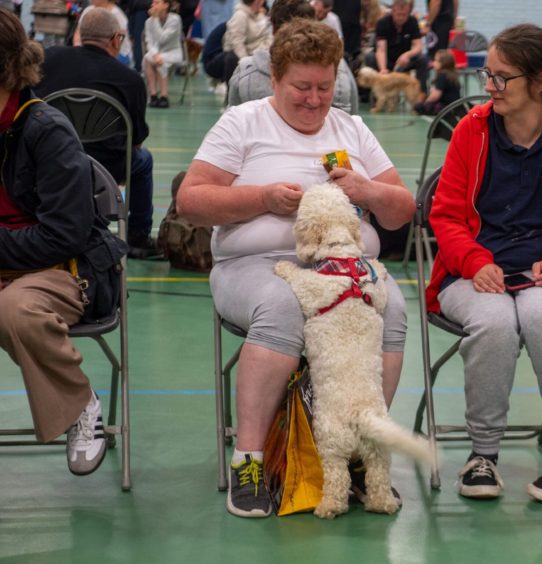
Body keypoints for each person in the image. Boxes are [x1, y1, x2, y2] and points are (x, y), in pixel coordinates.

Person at [176, 19, 414, 518]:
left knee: (391, 308)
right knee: (284, 305)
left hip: (349, 267)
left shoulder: (351, 127)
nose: (313, 100)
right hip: (255, 267)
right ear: (274, 81)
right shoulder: (242, 122)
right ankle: (250, 460)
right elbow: (192, 201)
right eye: (301, 88)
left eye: (324, 88)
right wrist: (262, 199)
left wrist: (367, 191)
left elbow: (400, 209)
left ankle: (358, 456)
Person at [426, 23, 542, 504]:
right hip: (471, 274)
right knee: (493, 322)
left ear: (541, 81)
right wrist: (472, 261)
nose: (490, 86)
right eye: (489, 74)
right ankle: (482, 454)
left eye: (502, 77)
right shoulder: (472, 130)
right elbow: (444, 215)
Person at [0, 8, 127, 478]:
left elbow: (63, 236)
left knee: (15, 311)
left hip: (62, 271)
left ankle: (80, 405)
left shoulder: (45, 130)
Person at [36, 7, 159, 259]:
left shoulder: (48, 60)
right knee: (143, 161)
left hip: (49, 161)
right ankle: (137, 237)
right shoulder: (130, 80)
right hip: (106, 167)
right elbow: (135, 143)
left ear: (80, 34)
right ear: (116, 40)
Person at [228, 0, 357, 114]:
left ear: (274, 28)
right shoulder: (340, 69)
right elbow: (351, 121)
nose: (313, 100)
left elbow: (232, 123)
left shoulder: (247, 70)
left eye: (323, 88)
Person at [368, 0, 428, 95]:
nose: (401, 18)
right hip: (388, 59)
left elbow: (418, 46)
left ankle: (421, 94)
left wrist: (408, 55)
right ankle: (373, 95)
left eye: (404, 15)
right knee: (370, 57)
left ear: (408, 13)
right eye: (398, 14)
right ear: (392, 12)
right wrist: (383, 69)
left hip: (405, 60)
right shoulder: (382, 23)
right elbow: (381, 49)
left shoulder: (412, 21)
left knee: (423, 59)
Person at [143, 0, 184, 108]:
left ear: (166, 5)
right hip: (156, 53)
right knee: (149, 59)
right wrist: (155, 54)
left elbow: (162, 39)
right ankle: (153, 95)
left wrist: (155, 19)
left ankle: (164, 96)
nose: (153, 5)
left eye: (156, 2)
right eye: (152, 3)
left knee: (157, 60)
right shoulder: (148, 22)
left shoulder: (175, 19)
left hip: (173, 52)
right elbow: (149, 42)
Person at [222, 0, 272, 84]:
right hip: (243, 58)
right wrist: (247, 62)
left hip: (259, 55)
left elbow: (268, 36)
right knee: (232, 58)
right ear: (257, 1)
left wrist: (264, 53)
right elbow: (237, 42)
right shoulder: (240, 15)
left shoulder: (261, 15)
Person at [73, 0, 133, 66]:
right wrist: (78, 49)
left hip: (118, 55)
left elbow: (118, 40)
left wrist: (104, 56)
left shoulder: (118, 15)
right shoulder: (88, 10)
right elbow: (78, 33)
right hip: (92, 52)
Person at [413, 49, 460, 115]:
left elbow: (435, 95)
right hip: (454, 106)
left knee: (418, 107)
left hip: (446, 107)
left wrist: (427, 102)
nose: (433, 62)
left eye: (435, 60)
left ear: (443, 63)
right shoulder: (451, 75)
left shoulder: (442, 75)